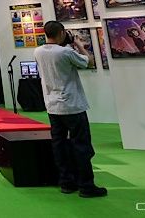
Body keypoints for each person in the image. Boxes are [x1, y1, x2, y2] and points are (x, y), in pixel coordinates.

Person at [33, 21, 107, 198]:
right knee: (81, 145)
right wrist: (79, 45)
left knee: (59, 145)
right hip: (72, 106)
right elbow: (88, 62)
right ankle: (86, 186)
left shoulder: (38, 51)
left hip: (52, 106)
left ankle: (66, 182)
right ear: (61, 33)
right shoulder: (65, 52)